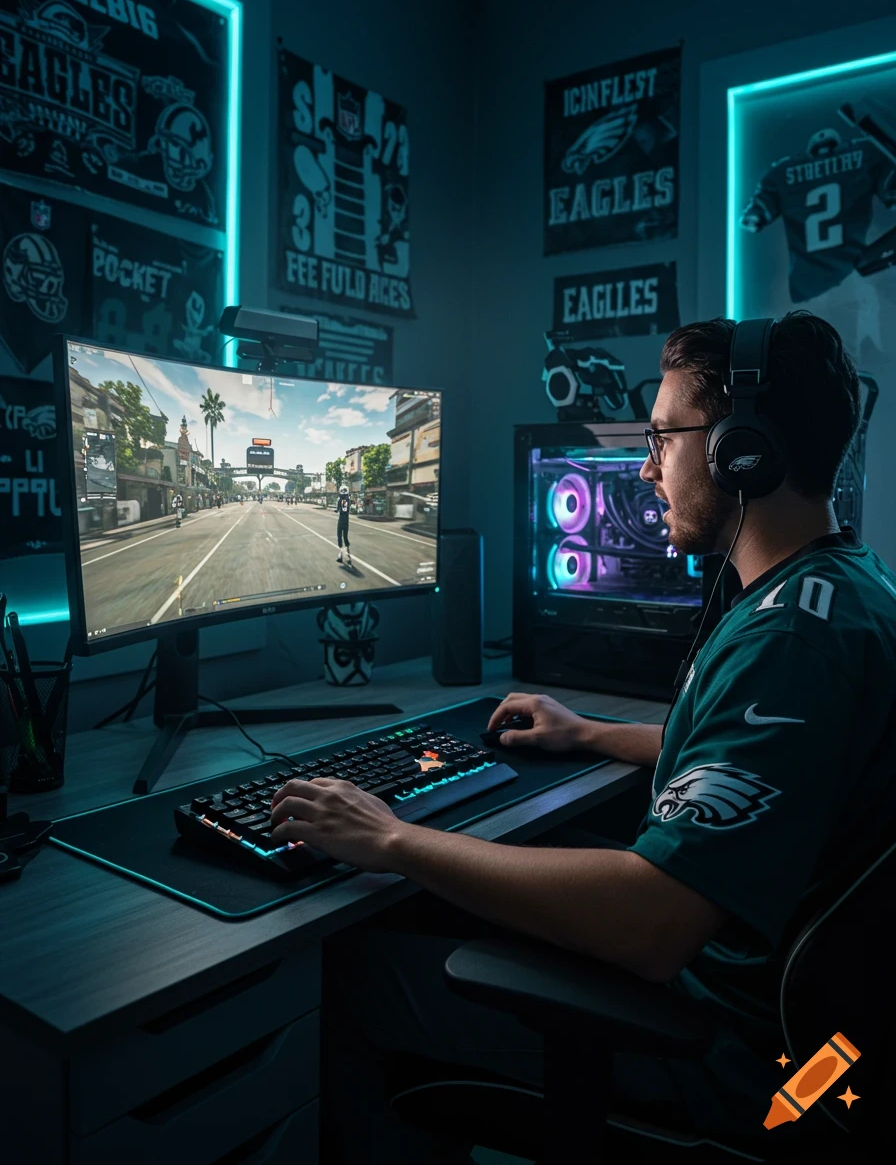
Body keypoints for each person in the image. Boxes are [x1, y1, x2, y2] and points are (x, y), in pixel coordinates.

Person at [267, 312, 896, 1162]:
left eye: (664, 438)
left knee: (349, 982)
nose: (644, 469)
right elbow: (761, 765)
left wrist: (392, 838)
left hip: (735, 1057)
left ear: (741, 451)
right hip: (813, 1032)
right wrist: (593, 733)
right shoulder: (845, 587)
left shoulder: (788, 642)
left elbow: (652, 924)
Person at [335, 482, 352, 565]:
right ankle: (348, 554)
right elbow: (348, 509)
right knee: (345, 537)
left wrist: (336, 510)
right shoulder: (348, 500)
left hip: (341, 519)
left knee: (339, 536)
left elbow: (338, 509)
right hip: (347, 520)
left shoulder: (340, 500)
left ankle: (341, 555)